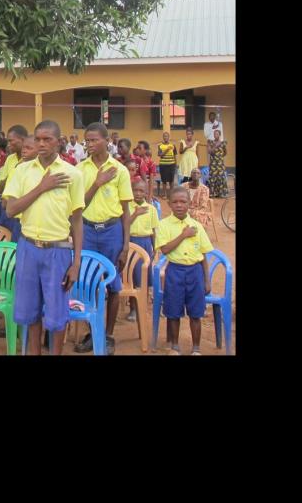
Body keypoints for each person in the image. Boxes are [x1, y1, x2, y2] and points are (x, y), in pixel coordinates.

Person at [3, 119, 83, 357]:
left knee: (57, 314)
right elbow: (10, 210)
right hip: (28, 247)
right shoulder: (22, 171)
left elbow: (77, 221)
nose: (41, 144)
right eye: (37, 139)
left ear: (59, 142)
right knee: (31, 312)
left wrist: (76, 263)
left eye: (47, 139)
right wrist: (41, 187)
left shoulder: (72, 174)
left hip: (58, 250)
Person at [73, 121, 132, 355]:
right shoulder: (80, 169)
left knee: (113, 285)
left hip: (111, 231)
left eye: (94, 140)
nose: (89, 144)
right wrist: (97, 183)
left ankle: (107, 335)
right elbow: (79, 206)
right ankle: (93, 331)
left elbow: (125, 212)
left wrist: (125, 245)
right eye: (86, 140)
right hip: (87, 230)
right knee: (87, 283)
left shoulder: (120, 170)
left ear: (107, 141)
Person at [156, 185, 213, 355]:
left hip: (195, 273)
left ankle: (196, 348)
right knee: (173, 311)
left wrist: (207, 280)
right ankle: (174, 346)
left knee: (196, 312)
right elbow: (165, 249)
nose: (179, 205)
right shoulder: (163, 225)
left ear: (189, 203)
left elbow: (203, 256)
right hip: (174, 272)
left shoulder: (197, 226)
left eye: (183, 201)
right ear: (169, 204)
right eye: (175, 202)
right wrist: (183, 235)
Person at [123, 174, 157, 323]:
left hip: (145, 243)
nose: (138, 193)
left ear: (146, 193)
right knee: (131, 277)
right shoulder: (127, 207)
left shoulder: (151, 209)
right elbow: (124, 225)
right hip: (130, 242)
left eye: (141, 191)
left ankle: (143, 307)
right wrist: (135, 214)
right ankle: (133, 308)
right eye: (135, 190)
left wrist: (154, 247)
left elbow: (153, 230)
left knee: (144, 277)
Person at [206, 128, 228, 198]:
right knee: (213, 177)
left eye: (217, 134)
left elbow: (225, 152)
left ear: (219, 135)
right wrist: (216, 146)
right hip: (213, 164)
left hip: (220, 164)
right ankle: (213, 193)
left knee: (221, 177)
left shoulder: (223, 143)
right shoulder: (211, 143)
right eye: (214, 134)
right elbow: (210, 152)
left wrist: (219, 157)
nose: (215, 135)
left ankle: (221, 193)